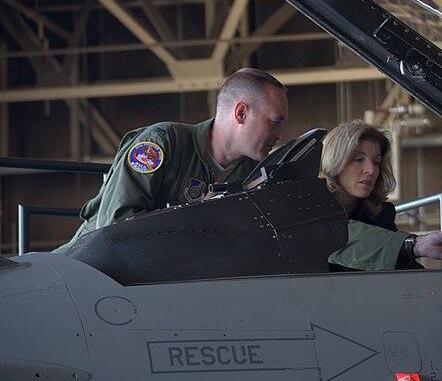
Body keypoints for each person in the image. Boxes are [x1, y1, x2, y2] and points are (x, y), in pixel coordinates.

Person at [56, 68, 289, 252]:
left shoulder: (253, 175)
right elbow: (116, 228)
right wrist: (193, 218)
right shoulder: (162, 143)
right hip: (83, 270)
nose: (280, 135)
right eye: (274, 122)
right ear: (241, 113)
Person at [321, 119, 442, 271]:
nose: (371, 170)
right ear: (334, 162)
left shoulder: (379, 214)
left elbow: (402, 267)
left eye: (376, 162)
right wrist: (416, 244)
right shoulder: (310, 211)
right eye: (359, 159)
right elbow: (336, 234)